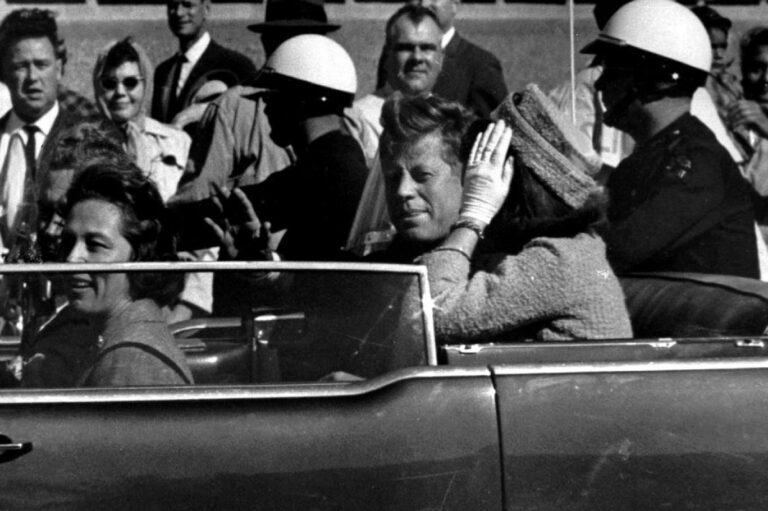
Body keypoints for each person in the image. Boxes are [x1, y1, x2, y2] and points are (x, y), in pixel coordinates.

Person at [378, 92, 632, 342]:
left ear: (512, 179)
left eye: (484, 170)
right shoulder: (540, 252)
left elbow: (429, 316)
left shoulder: (563, 259)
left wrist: (474, 214)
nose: (402, 191)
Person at [583, 0, 759, 278]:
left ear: (659, 79)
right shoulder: (652, 157)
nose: (599, 83)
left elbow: (609, 255)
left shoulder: (698, 165)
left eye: (613, 71)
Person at [25, 162, 192, 387]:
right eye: (69, 242)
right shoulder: (115, 339)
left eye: (95, 245)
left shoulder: (132, 360)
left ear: (140, 256)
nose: (72, 258)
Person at [211, 34, 368, 262]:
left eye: (272, 97)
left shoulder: (323, 170)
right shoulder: (342, 156)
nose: (265, 108)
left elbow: (238, 207)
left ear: (301, 99)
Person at [0, 8, 86, 255]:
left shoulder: (88, 138)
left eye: (41, 64)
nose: (32, 77)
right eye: (20, 66)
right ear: (4, 72)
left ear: (58, 68)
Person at [94, 37, 191, 203]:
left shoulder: (177, 142)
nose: (120, 92)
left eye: (130, 82)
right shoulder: (84, 144)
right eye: (109, 83)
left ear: (145, 85)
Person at [375, 0, 507, 118]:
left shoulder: (481, 64)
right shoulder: (394, 54)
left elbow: (494, 125)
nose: (424, 3)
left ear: (455, 3)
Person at [151, 0, 256, 125]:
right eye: (173, 5)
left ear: (206, 9)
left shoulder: (236, 67)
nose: (179, 13)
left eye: (187, 5)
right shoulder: (163, 71)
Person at [355, 5, 443, 138]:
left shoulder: (451, 122)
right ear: (387, 55)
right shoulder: (359, 121)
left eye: (426, 48)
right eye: (406, 48)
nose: (417, 57)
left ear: (441, 58)